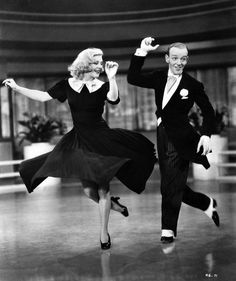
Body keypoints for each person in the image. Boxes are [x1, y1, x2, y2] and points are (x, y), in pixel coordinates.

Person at [3, 48, 156, 250]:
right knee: (87, 190)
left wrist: (112, 78)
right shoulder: (67, 85)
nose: (101, 66)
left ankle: (103, 234)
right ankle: (115, 205)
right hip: (79, 140)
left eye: (101, 63)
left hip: (101, 140)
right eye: (96, 63)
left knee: (102, 188)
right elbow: (42, 97)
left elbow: (113, 99)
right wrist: (17, 88)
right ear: (85, 64)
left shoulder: (102, 84)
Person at [127, 37, 220, 244]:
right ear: (167, 58)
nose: (179, 62)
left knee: (169, 185)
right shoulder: (158, 78)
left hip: (183, 138)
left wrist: (205, 134)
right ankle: (205, 202)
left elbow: (209, 112)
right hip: (163, 134)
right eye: (175, 58)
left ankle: (168, 230)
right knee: (171, 185)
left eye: (184, 59)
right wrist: (141, 51)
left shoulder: (193, 85)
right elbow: (132, 78)